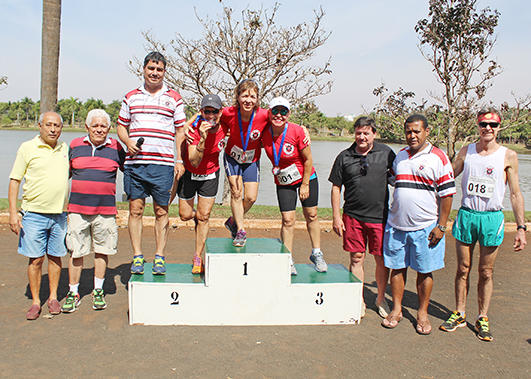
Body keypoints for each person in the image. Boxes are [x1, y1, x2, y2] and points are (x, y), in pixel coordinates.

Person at [440, 107, 527, 341]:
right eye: (483, 124)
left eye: (493, 125)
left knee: (486, 271)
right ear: (477, 126)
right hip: (467, 216)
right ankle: (459, 313)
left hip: (492, 218)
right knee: (463, 268)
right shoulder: (466, 151)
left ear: (499, 128)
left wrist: (521, 227)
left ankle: (482, 317)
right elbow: (447, 178)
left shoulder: (508, 155)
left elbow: (516, 194)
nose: (488, 128)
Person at [381, 114, 455, 335]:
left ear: (427, 131)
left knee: (424, 271)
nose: (412, 136)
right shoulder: (400, 156)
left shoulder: (438, 157)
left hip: (426, 227)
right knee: (397, 267)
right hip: (397, 226)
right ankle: (396, 309)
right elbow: (393, 181)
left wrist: (441, 226)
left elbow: (448, 194)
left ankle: (422, 313)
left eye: (416, 131)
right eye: (408, 132)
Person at [117, 52, 186, 276]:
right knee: (135, 209)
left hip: (164, 165)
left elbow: (180, 131)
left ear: (164, 72)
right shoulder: (130, 97)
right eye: (151, 69)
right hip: (136, 165)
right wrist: (127, 141)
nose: (155, 73)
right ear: (143, 69)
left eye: (159, 70)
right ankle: (137, 256)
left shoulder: (174, 97)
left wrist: (179, 159)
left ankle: (159, 257)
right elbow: (121, 126)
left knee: (161, 211)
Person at [329, 116, 396, 318]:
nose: (362, 137)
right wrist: (335, 216)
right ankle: (358, 299)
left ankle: (381, 298)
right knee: (356, 257)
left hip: (379, 217)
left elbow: (400, 180)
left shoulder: (386, 153)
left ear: (374, 134)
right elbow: (336, 187)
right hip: (353, 216)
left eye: (366, 133)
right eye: (358, 133)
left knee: (381, 260)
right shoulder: (344, 156)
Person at [61, 109, 126, 313]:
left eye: (103, 126)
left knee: (102, 251)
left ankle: (98, 290)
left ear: (109, 128)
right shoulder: (74, 146)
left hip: (105, 210)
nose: (99, 130)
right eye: (95, 126)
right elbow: (65, 174)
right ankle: (74, 292)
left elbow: (129, 170)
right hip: (77, 210)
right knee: (77, 252)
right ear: (87, 127)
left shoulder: (116, 147)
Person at [8, 112, 69, 320]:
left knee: (56, 257)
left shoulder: (65, 148)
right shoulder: (27, 148)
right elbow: (15, 180)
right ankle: (36, 302)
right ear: (40, 126)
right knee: (35, 260)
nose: (53, 129)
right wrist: (13, 212)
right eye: (49, 125)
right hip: (33, 214)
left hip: (59, 215)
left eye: (57, 126)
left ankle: (53, 298)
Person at [261, 97, 327, 275]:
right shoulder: (263, 132)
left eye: (284, 111)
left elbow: (308, 159)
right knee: (288, 220)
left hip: (306, 176)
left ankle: (317, 253)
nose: (279, 115)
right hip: (284, 180)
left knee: (311, 215)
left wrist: (305, 184)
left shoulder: (297, 131)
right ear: (269, 112)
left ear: (289, 114)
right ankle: (288, 258)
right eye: (275, 111)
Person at [171, 94, 225, 274]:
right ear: (201, 111)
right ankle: (199, 217)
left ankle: (197, 256)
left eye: (214, 111)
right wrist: (202, 137)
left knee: (204, 217)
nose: (211, 115)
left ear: (220, 111)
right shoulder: (192, 130)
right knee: (185, 215)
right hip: (190, 172)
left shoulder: (225, 124)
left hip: (210, 174)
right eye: (207, 111)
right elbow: (194, 161)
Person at [220, 79, 269, 247]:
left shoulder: (263, 115)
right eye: (245, 96)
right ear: (238, 97)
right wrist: (190, 126)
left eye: (253, 96)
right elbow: (205, 114)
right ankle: (240, 230)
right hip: (232, 157)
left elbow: (282, 122)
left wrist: (303, 129)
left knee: (250, 197)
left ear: (257, 99)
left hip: (251, 159)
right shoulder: (228, 112)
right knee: (236, 192)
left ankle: (233, 221)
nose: (248, 100)